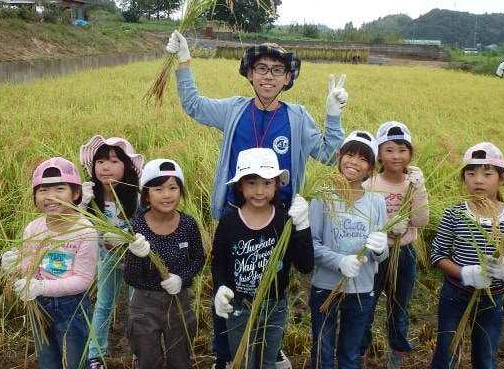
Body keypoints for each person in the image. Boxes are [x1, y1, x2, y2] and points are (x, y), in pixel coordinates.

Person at [165, 30, 348, 369]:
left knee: (275, 284)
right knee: (227, 286)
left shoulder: (296, 117)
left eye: (277, 70)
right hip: (236, 216)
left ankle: (269, 346)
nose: (268, 75)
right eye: (261, 68)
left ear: (288, 78)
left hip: (280, 220)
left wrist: (332, 117)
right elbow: (193, 105)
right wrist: (183, 61)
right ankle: (225, 355)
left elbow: (328, 153)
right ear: (249, 74)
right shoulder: (233, 110)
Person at [430, 142, 504, 369]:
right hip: (455, 295)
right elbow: (437, 254)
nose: (478, 180)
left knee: (486, 358)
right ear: (463, 178)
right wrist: (464, 272)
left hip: (492, 299)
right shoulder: (455, 214)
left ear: (502, 178)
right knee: (446, 354)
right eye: (471, 173)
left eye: (487, 174)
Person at [211, 147, 314, 369]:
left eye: (267, 183)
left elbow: (305, 265)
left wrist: (303, 226)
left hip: (274, 308)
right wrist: (220, 288)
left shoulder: (285, 222)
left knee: (268, 362)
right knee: (242, 361)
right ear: (240, 185)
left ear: (277, 184)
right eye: (252, 183)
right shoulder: (229, 223)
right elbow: (218, 262)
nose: (259, 191)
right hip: (238, 306)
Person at [0, 157, 98, 369]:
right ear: (35, 196)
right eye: (43, 190)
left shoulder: (85, 231)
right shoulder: (33, 228)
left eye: (60, 189)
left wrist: (42, 286)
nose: (51, 196)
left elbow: (83, 280)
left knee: (75, 362)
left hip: (71, 308)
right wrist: (13, 264)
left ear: (76, 193)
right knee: (47, 361)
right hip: (40, 306)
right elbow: (29, 267)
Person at [309, 130, 389, 369]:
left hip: (361, 289)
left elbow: (381, 254)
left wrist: (379, 249)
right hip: (325, 287)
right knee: (322, 353)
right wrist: (339, 262)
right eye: (350, 154)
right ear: (339, 157)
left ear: (371, 168)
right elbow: (311, 244)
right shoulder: (321, 197)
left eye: (363, 158)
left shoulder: (376, 202)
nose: (354, 162)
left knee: (350, 355)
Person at [358, 121, 429, 369]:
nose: (396, 155)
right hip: (375, 254)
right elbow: (362, 224)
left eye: (402, 149)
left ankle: (395, 355)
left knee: (399, 308)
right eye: (389, 149)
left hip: (405, 253)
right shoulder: (370, 185)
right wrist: (385, 228)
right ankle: (360, 354)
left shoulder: (413, 183)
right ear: (378, 154)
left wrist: (420, 189)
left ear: (410, 153)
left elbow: (420, 220)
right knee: (366, 305)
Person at [122, 158, 205, 369]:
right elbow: (131, 278)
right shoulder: (137, 226)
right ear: (146, 195)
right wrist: (135, 254)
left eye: (173, 187)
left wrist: (181, 278)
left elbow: (198, 259)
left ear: (181, 191)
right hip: (144, 304)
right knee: (148, 360)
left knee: (180, 359)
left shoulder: (187, 224)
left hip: (179, 302)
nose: (167, 195)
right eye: (158, 188)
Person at [78, 135, 145, 369]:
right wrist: (82, 205)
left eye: (114, 161)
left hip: (136, 260)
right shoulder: (88, 195)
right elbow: (73, 227)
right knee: (105, 303)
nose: (106, 167)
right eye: (100, 162)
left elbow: (148, 224)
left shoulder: (136, 197)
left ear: (126, 166)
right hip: (106, 259)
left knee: (137, 305)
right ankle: (95, 355)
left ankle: (139, 354)